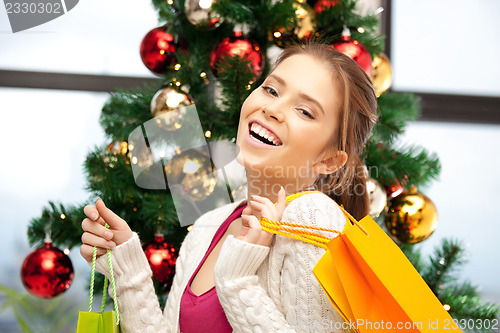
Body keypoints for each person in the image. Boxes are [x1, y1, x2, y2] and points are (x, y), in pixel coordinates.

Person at [80, 42, 378, 332]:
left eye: (305, 111)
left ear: (329, 160)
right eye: (271, 90)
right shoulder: (210, 224)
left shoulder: (312, 219)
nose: (273, 109)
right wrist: (127, 266)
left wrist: (236, 280)